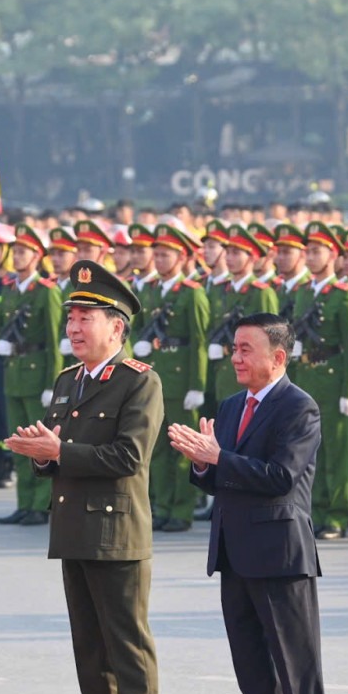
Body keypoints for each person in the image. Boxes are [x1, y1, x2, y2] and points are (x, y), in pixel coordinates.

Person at [6, 263, 165, 694]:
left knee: (126, 647)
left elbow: (128, 457)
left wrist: (60, 451)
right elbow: (60, 454)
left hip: (117, 531)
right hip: (74, 526)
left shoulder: (138, 382)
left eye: (86, 318)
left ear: (116, 327)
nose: (74, 328)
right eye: (71, 318)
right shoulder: (66, 380)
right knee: (89, 648)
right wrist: (40, 455)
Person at [172, 313, 328, 694]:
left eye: (245, 349)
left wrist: (219, 458)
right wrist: (203, 463)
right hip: (235, 550)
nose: (235, 357)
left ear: (277, 357)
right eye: (233, 348)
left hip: (280, 553)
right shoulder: (233, 402)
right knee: (253, 669)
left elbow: (280, 476)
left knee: (296, 668)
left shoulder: (298, 407)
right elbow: (223, 476)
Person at [288, 223, 348, 539]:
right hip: (305, 377)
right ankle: (312, 509)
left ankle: (336, 515)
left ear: (332, 255)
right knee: (307, 450)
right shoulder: (303, 292)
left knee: (335, 451)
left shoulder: (345, 296)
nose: (311, 256)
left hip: (332, 379)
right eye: (308, 251)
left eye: (317, 251)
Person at [138, 223, 210, 534]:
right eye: (158, 255)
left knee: (183, 449)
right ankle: (162, 505)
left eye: (167, 255)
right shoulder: (150, 289)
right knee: (156, 448)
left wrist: (197, 385)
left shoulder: (191, 294)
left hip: (181, 381)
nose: (161, 260)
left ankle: (182, 509)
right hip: (155, 378)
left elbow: (200, 342)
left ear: (181, 258)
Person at [0, 227, 64, 526]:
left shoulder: (47, 292)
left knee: (39, 442)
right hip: (14, 374)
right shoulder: (10, 289)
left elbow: (53, 338)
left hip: (37, 374)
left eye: (23, 251)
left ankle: (40, 503)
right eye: (16, 251)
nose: (18, 256)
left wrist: (53, 383)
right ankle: (23, 502)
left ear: (37, 257)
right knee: (19, 442)